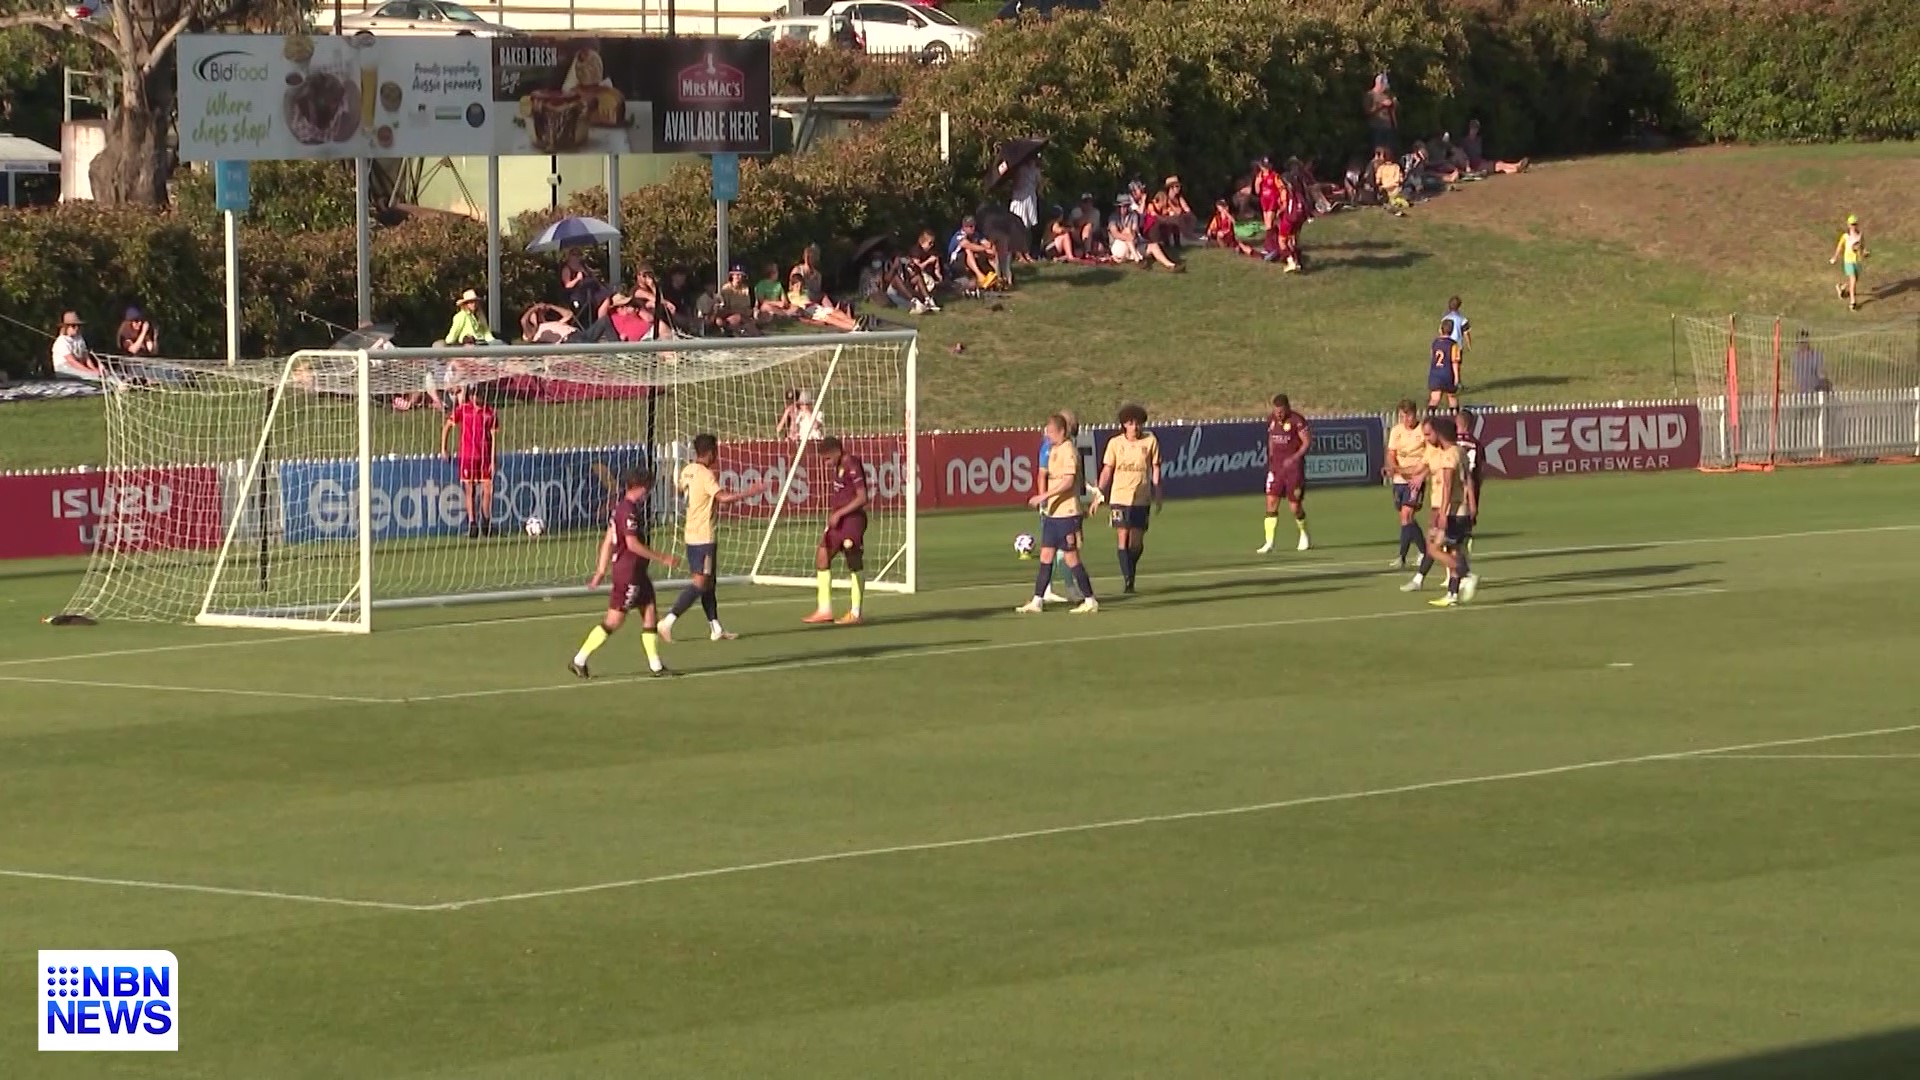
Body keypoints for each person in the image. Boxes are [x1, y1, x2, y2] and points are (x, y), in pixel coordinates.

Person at [658, 433, 771, 644]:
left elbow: (678, 492)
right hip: (703, 537)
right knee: (701, 584)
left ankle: (716, 628)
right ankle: (668, 621)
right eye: (716, 452)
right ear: (710, 453)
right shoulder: (705, 474)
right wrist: (751, 491)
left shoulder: (688, 470)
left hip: (691, 534)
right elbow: (724, 498)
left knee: (709, 583)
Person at [570, 468, 682, 679]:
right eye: (647, 488)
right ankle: (579, 659)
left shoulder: (620, 508)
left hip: (637, 572)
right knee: (614, 620)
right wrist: (662, 557)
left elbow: (607, 540)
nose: (648, 492)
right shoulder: (628, 510)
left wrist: (601, 570)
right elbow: (632, 544)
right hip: (628, 573)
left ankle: (656, 666)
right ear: (640, 487)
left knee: (649, 610)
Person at [1016, 413, 1098, 614]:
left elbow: (1069, 482)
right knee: (1046, 555)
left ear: (1062, 431)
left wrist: (1043, 495)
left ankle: (1090, 599)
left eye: (1051, 432)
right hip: (1053, 513)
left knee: (1071, 558)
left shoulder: (1068, 450)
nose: (1048, 436)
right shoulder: (1053, 449)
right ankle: (1037, 600)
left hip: (1067, 513)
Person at [803, 436, 870, 626]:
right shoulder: (839, 466)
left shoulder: (852, 464)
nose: (825, 464)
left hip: (852, 520)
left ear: (836, 451)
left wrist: (839, 513)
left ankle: (856, 612)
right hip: (838, 521)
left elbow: (862, 497)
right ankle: (824, 610)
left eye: (827, 459)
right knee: (822, 555)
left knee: (853, 559)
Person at [1097, 403, 1162, 594]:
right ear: (1124, 424)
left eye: (1138, 423)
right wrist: (1100, 491)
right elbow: (1107, 469)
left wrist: (1158, 491)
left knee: (1136, 543)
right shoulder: (1115, 444)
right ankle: (1128, 580)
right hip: (1120, 496)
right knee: (1122, 537)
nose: (1135, 427)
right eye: (1131, 423)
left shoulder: (1150, 441)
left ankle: (1130, 568)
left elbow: (1156, 467)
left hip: (1141, 498)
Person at [1416, 416, 1478, 607]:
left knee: (1434, 548)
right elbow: (1469, 480)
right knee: (1454, 550)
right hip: (1464, 510)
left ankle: (1467, 575)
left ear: (1439, 433)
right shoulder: (1461, 451)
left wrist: (1443, 512)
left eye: (1430, 433)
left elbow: (1448, 486)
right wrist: (1473, 505)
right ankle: (1452, 594)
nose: (1428, 437)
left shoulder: (1449, 455)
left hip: (1453, 511)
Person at [438, 386, 499, 538]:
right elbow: (447, 427)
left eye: (481, 394)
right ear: (471, 396)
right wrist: (444, 448)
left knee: (487, 489)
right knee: (470, 490)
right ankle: (473, 524)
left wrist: (493, 459)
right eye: (475, 394)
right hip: (467, 456)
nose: (478, 397)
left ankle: (485, 522)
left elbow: (493, 437)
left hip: (484, 457)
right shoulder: (463, 410)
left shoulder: (490, 412)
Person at [1257, 394, 1312, 553]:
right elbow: (1271, 439)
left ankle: (1304, 534)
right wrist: (1271, 456)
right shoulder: (1272, 420)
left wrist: (1294, 458)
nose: (1278, 414)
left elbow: (1307, 442)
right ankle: (1269, 542)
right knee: (1271, 502)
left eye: (1281, 411)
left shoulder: (1297, 420)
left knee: (1295, 507)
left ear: (1287, 408)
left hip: (1294, 470)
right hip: (1276, 469)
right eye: (1276, 411)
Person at [1385, 399, 1429, 573]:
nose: (1405, 419)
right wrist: (1394, 468)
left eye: (1408, 415)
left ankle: (1401, 556)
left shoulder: (1422, 430)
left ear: (1415, 414)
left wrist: (1420, 473)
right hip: (1399, 479)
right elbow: (1391, 453)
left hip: (1416, 478)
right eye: (1402, 416)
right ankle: (1424, 551)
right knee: (1406, 519)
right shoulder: (1396, 431)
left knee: (1407, 514)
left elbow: (1429, 454)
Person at [1453, 407, 1484, 553]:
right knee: (1469, 515)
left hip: (1453, 484)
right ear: (1471, 424)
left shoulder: (1451, 443)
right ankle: (1467, 536)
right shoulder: (1476, 444)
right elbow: (1479, 467)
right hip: (1471, 482)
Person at [50, 311, 102, 383]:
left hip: (79, 366)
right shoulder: (61, 341)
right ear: (66, 327)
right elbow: (72, 361)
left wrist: (95, 369)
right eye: (73, 326)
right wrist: (90, 371)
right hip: (64, 369)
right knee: (90, 375)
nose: (76, 328)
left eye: (78, 326)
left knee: (99, 374)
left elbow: (86, 357)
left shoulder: (79, 338)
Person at [1831, 214, 1867, 311]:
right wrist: (1835, 257)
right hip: (1848, 261)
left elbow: (1862, 246)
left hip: (1857, 261)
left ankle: (1842, 288)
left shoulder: (1860, 235)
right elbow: (1839, 247)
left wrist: (1864, 253)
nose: (1853, 226)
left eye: (1855, 224)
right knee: (1853, 280)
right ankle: (1853, 303)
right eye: (1852, 224)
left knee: (1854, 281)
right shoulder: (1846, 236)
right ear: (1848, 225)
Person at [1427, 320, 1462, 411]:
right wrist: (1457, 378)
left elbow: (1432, 356)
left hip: (1435, 374)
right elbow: (1454, 362)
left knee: (1435, 398)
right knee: (1452, 397)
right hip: (1447, 374)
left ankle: (1429, 419)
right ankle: (1454, 417)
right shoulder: (1453, 345)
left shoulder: (1435, 343)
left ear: (1441, 329)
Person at [1364, 73, 1398, 153]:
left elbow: (1392, 111)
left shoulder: (1386, 95)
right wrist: (1381, 105)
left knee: (1389, 151)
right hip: (1376, 127)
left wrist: (1393, 104)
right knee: (1377, 152)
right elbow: (1367, 112)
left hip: (1388, 128)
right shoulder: (1370, 95)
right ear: (1379, 83)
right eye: (1383, 85)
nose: (1384, 88)